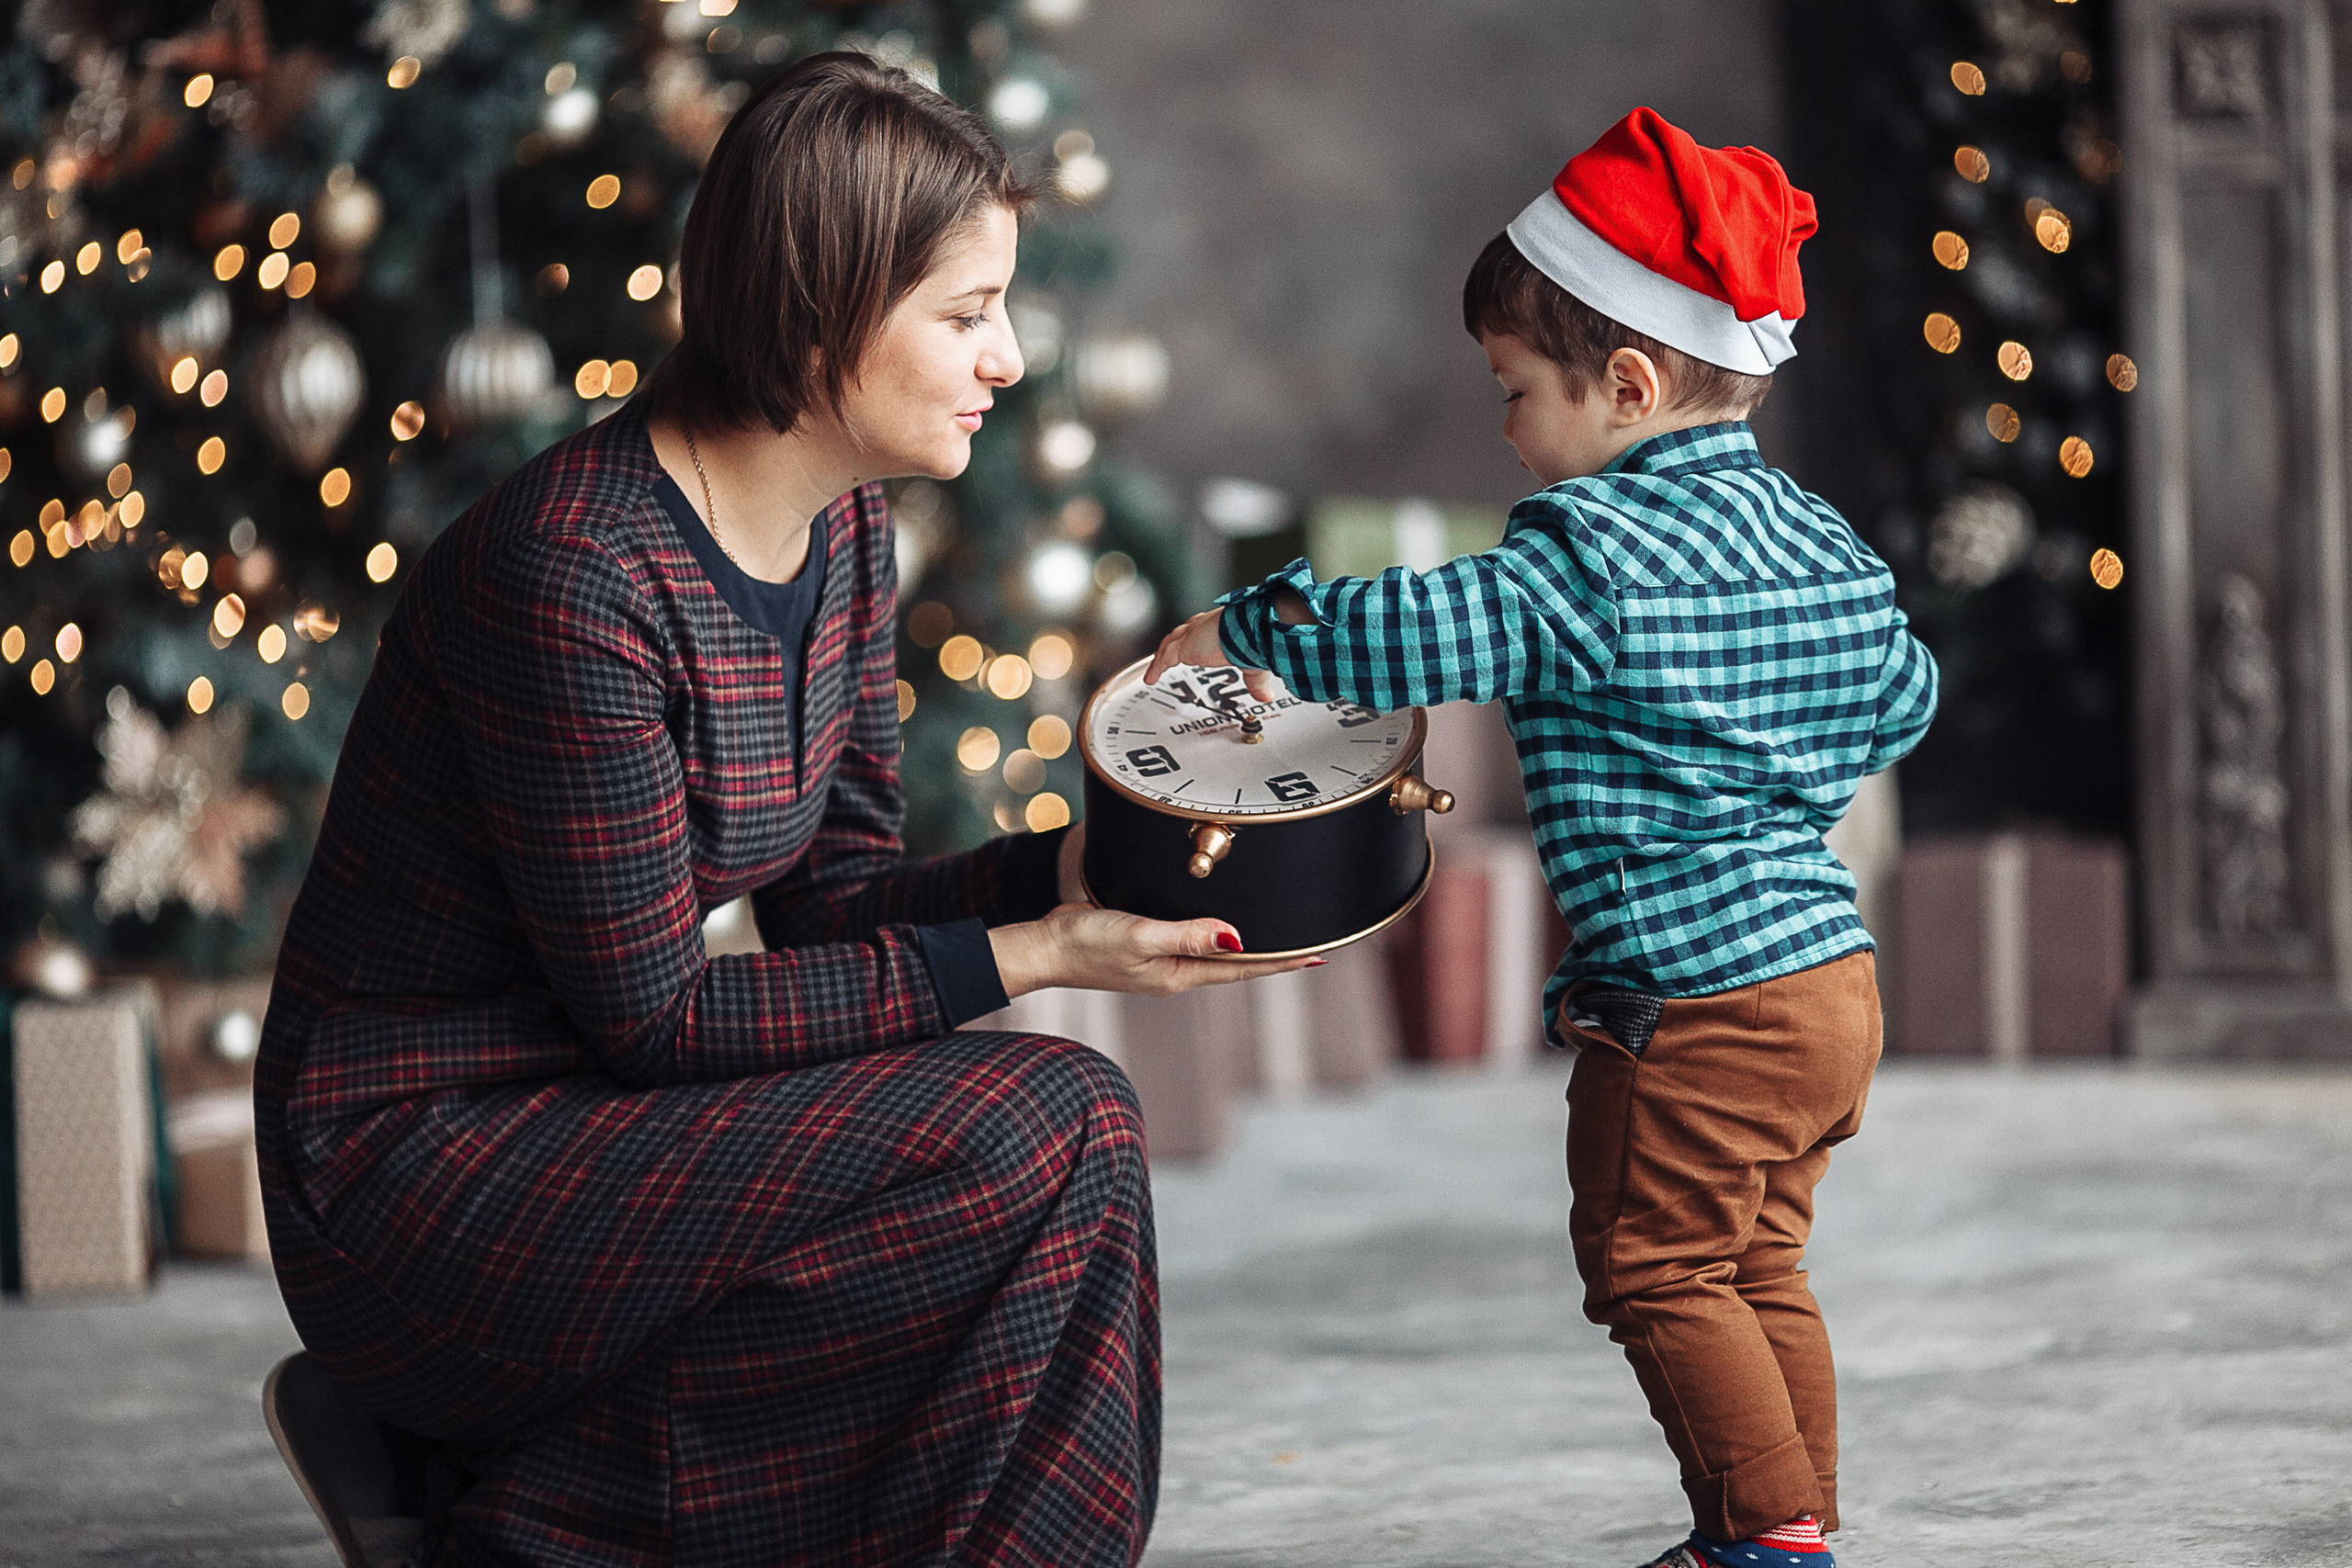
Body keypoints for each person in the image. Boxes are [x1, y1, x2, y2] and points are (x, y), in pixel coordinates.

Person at [255, 52, 1307, 1568]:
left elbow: (831, 895)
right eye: (964, 315)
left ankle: (534, 1492)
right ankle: (523, 1495)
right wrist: (1038, 956)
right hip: (421, 1172)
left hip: (601, 1123)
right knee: (1054, 1117)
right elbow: (661, 1022)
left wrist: (1075, 874)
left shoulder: (845, 525)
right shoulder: (573, 577)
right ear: (818, 309)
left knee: (1057, 1161)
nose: (1007, 358)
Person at [1147, 107, 1939, 1568]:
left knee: (1654, 1265)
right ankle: (1788, 1528)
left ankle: (1767, 1540)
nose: (1504, 427)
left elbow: (1410, 628)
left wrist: (1248, 629)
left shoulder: (1583, 554)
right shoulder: (1822, 543)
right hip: (1831, 983)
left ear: (1626, 385)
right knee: (1758, 1260)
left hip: (1690, 998)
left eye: (1514, 391)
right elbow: (1903, 700)